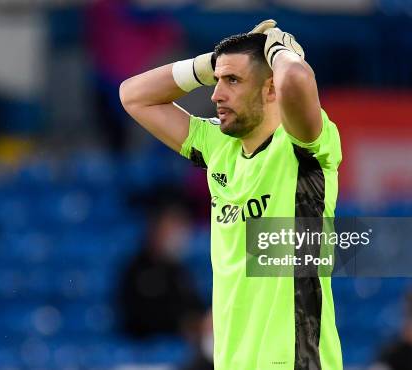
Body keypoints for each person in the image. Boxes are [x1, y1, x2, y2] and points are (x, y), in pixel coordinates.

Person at [119, 19, 343, 369]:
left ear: (270, 89)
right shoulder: (217, 145)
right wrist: (214, 63)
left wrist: (280, 50)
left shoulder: (303, 149)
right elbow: (133, 96)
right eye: (218, 81)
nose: (215, 94)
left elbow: (297, 80)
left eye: (233, 81)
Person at [119, 202, 205, 338]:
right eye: (173, 227)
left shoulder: (180, 271)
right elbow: (137, 315)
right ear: (156, 230)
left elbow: (194, 307)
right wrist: (182, 323)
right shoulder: (136, 270)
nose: (179, 236)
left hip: (180, 343)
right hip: (143, 346)